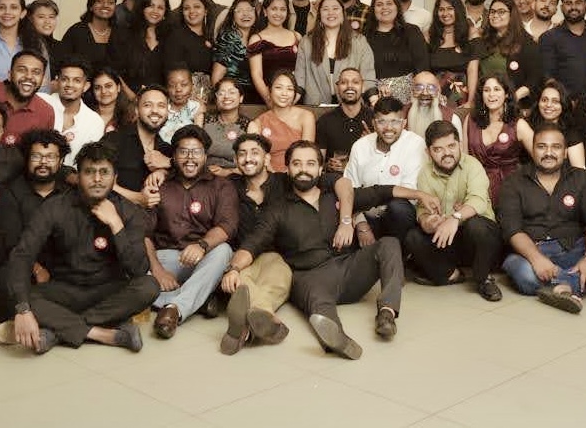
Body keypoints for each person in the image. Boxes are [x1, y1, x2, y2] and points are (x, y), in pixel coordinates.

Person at [230, 140, 432, 359]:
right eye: (297, 164)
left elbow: (380, 192)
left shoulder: (336, 196)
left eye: (310, 164)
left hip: (349, 269)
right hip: (309, 276)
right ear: (287, 169)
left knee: (389, 243)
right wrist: (234, 268)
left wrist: (420, 195)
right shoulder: (277, 210)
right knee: (319, 304)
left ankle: (387, 312)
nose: (303, 170)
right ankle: (337, 339)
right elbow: (253, 243)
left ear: (320, 169)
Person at [1, 141, 160, 354]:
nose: (97, 179)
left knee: (149, 286)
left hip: (108, 290)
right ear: (78, 176)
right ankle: (101, 333)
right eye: (89, 172)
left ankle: (57, 331)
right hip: (65, 290)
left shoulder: (129, 211)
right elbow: (22, 254)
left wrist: (116, 224)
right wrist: (22, 309)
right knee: (13, 293)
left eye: (104, 172)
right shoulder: (55, 206)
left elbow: (138, 270)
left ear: (115, 177)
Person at [499, 123, 586, 313]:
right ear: (533, 150)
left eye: (556, 147)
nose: (548, 153)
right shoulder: (514, 182)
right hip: (531, 251)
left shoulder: (582, 178)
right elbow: (512, 229)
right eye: (542, 147)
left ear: (565, 152)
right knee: (521, 271)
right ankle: (574, 284)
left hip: (575, 248)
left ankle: (559, 286)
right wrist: (536, 259)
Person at [145, 125, 238, 339]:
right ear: (174, 156)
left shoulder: (221, 186)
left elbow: (228, 225)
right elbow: (144, 233)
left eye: (196, 152)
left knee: (223, 251)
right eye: (183, 151)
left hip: (203, 258)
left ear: (205, 156)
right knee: (130, 273)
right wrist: (158, 270)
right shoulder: (160, 185)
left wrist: (202, 245)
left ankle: (174, 309)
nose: (190, 158)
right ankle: (201, 298)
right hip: (167, 257)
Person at [407, 121, 502, 301]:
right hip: (447, 240)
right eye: (438, 149)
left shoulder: (472, 165)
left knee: (477, 225)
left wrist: (455, 218)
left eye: (451, 146)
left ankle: (484, 279)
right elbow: (422, 210)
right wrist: (428, 222)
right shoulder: (425, 173)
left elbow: (478, 200)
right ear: (428, 152)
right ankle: (452, 274)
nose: (447, 153)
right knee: (413, 236)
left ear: (460, 145)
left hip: (478, 241)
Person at [218, 133, 296, 354]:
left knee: (280, 278)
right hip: (240, 256)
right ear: (235, 160)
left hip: (273, 255)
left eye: (255, 153)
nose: (248, 158)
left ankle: (243, 327)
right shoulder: (228, 186)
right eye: (242, 154)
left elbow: (322, 180)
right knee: (241, 284)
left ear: (267, 158)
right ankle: (262, 319)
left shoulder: (284, 182)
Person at [0, 128, 73, 322]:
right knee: (6, 283)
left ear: (60, 162)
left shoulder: (70, 192)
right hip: (25, 262)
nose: (43, 162)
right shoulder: (10, 191)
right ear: (27, 159)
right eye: (36, 156)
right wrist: (37, 269)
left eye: (50, 157)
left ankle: (47, 322)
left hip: (63, 264)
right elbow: (12, 242)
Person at [344, 97, 428, 242]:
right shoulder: (360, 146)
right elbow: (349, 190)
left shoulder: (415, 144)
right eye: (382, 121)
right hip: (367, 216)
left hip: (399, 217)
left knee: (398, 207)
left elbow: (409, 193)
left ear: (404, 123)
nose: (388, 128)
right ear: (373, 123)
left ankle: (396, 250)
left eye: (395, 121)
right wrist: (360, 223)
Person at [294, 0, 376, 105]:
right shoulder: (306, 42)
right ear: (319, 15)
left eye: (335, 8)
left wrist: (374, 100)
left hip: (351, 106)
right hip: (315, 106)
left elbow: (368, 76)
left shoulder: (359, 41)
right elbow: (300, 77)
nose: (330, 13)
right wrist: (291, 100)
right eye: (325, 9)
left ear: (343, 14)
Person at [101, 85, 172, 206]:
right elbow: (98, 180)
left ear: (167, 112)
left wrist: (165, 170)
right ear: (137, 110)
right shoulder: (114, 140)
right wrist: (138, 198)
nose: (155, 110)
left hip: (152, 216)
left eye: (161, 106)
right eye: (148, 105)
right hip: (115, 212)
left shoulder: (166, 149)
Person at [465, 75, 531, 205]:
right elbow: (464, 160)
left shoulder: (519, 125)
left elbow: (540, 154)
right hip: (476, 187)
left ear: (506, 94)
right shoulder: (470, 120)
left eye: (497, 89)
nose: (491, 94)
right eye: (486, 90)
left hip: (510, 189)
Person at [364, 0, 430, 104]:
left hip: (411, 99)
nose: (384, 7)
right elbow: (363, 72)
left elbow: (423, 67)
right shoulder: (364, 37)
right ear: (373, 10)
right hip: (375, 99)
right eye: (379, 4)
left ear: (397, 7)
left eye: (389, 3)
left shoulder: (412, 31)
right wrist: (375, 91)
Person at [38, 57, 105, 163]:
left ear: (86, 86)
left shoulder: (95, 122)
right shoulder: (40, 102)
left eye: (77, 80)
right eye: (64, 79)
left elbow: (90, 161)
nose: (69, 85)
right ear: (57, 81)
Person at [477, 0, 542, 104]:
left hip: (514, 104)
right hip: (484, 102)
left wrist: (511, 99)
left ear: (512, 15)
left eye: (501, 12)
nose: (495, 15)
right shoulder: (483, 40)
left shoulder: (526, 43)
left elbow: (534, 79)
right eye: (492, 12)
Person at [249, 70, 316, 172]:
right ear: (269, 90)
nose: (284, 93)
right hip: (269, 174)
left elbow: (308, 152)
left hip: (299, 172)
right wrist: (274, 175)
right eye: (278, 88)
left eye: (290, 89)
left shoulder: (306, 116)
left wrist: (289, 173)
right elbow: (258, 158)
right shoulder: (258, 122)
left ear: (294, 94)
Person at [111, 0, 170, 96]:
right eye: (150, 6)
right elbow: (114, 71)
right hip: (128, 99)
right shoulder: (123, 35)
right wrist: (132, 97)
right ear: (141, 8)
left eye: (160, 8)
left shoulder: (170, 38)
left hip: (161, 100)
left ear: (165, 13)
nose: (155, 11)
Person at [426, 0, 480, 107]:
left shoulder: (471, 34)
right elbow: (424, 70)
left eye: (450, 9)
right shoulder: (429, 36)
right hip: (433, 97)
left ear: (458, 10)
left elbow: (472, 70)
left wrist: (471, 101)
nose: (445, 13)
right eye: (441, 9)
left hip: (460, 99)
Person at [248, 0, 302, 105]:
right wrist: (269, 100)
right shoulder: (256, 39)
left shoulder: (296, 36)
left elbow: (303, 72)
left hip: (294, 98)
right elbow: (256, 74)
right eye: (274, 9)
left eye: (283, 9)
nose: (278, 13)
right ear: (265, 11)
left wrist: (295, 97)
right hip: (266, 100)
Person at [315, 68, 372, 173]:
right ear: (337, 88)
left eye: (355, 82)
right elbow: (318, 164)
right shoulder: (325, 121)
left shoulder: (375, 119)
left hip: (367, 177)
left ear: (363, 87)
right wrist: (328, 166)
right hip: (335, 178)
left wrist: (373, 142)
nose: (349, 86)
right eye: (344, 82)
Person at [61, 0, 119, 75]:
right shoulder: (76, 31)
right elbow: (63, 63)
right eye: (99, 1)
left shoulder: (120, 33)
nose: (105, 5)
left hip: (113, 83)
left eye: (110, 2)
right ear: (91, 6)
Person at [211, 0, 260, 103]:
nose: (245, 14)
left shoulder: (257, 37)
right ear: (233, 17)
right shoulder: (228, 38)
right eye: (240, 10)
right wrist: (220, 100)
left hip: (254, 95)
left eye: (249, 10)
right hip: (233, 96)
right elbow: (217, 76)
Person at [204, 77, 251, 177]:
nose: (226, 96)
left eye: (232, 92)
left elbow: (252, 163)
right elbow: (194, 151)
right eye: (221, 93)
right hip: (203, 175)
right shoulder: (203, 120)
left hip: (236, 177)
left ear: (241, 98)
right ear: (216, 98)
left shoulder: (249, 126)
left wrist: (228, 172)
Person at [162, 0, 214, 77]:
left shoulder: (211, 36)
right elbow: (172, 73)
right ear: (182, 12)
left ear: (205, 11)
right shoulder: (175, 37)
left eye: (197, 7)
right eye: (186, 8)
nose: (191, 11)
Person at [406, 71, 462, 139]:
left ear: (438, 91)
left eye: (431, 88)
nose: (425, 93)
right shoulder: (402, 116)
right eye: (419, 88)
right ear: (412, 91)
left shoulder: (453, 119)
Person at [158, 67, 204, 144]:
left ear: (192, 86)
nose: (178, 90)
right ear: (166, 88)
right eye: (172, 85)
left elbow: (198, 135)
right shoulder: (161, 107)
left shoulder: (195, 107)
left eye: (184, 85)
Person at [92, 67, 136, 133]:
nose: (103, 91)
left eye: (108, 86)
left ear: (118, 88)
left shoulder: (130, 116)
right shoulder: (86, 115)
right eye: (97, 88)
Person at [27, 0, 61, 78]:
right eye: (41, 17)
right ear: (30, 19)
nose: (47, 21)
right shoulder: (23, 44)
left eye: (51, 17)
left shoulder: (61, 47)